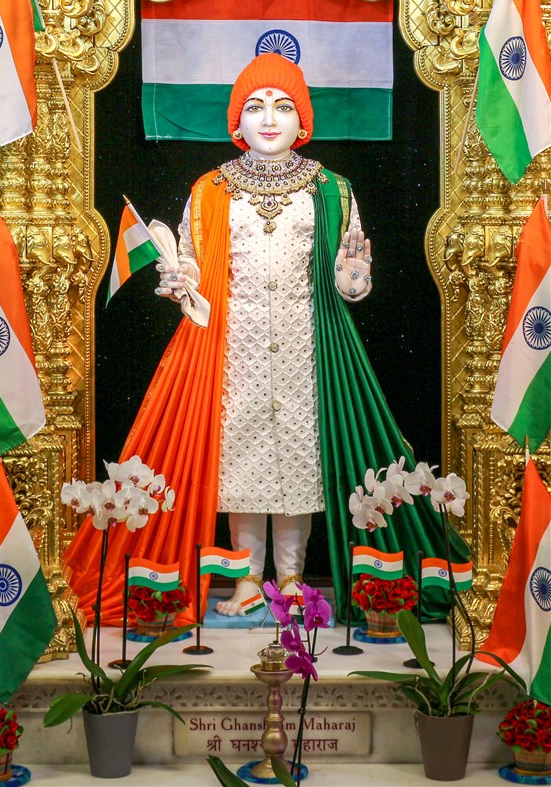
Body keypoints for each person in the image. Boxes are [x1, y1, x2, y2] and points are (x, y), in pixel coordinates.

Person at [65, 53, 467, 626]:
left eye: (283, 106)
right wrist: (180, 282)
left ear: (303, 120)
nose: (269, 118)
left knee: (300, 460)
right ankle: (248, 580)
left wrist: (354, 284)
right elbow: (195, 264)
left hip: (308, 348)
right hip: (234, 351)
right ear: (237, 122)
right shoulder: (211, 189)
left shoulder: (331, 189)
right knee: (242, 461)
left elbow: (348, 273)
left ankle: (294, 579)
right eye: (255, 107)